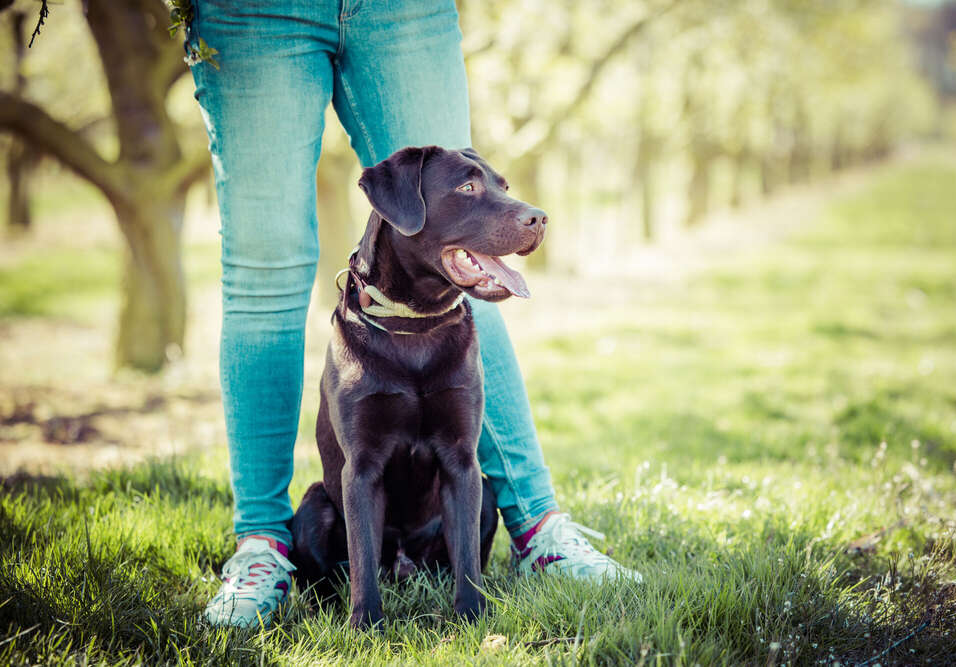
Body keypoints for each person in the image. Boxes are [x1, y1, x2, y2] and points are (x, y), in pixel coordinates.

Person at [186, 0, 641, 628]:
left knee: (456, 258)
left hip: (401, 10)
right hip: (252, 13)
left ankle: (538, 528)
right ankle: (263, 547)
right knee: (265, 268)